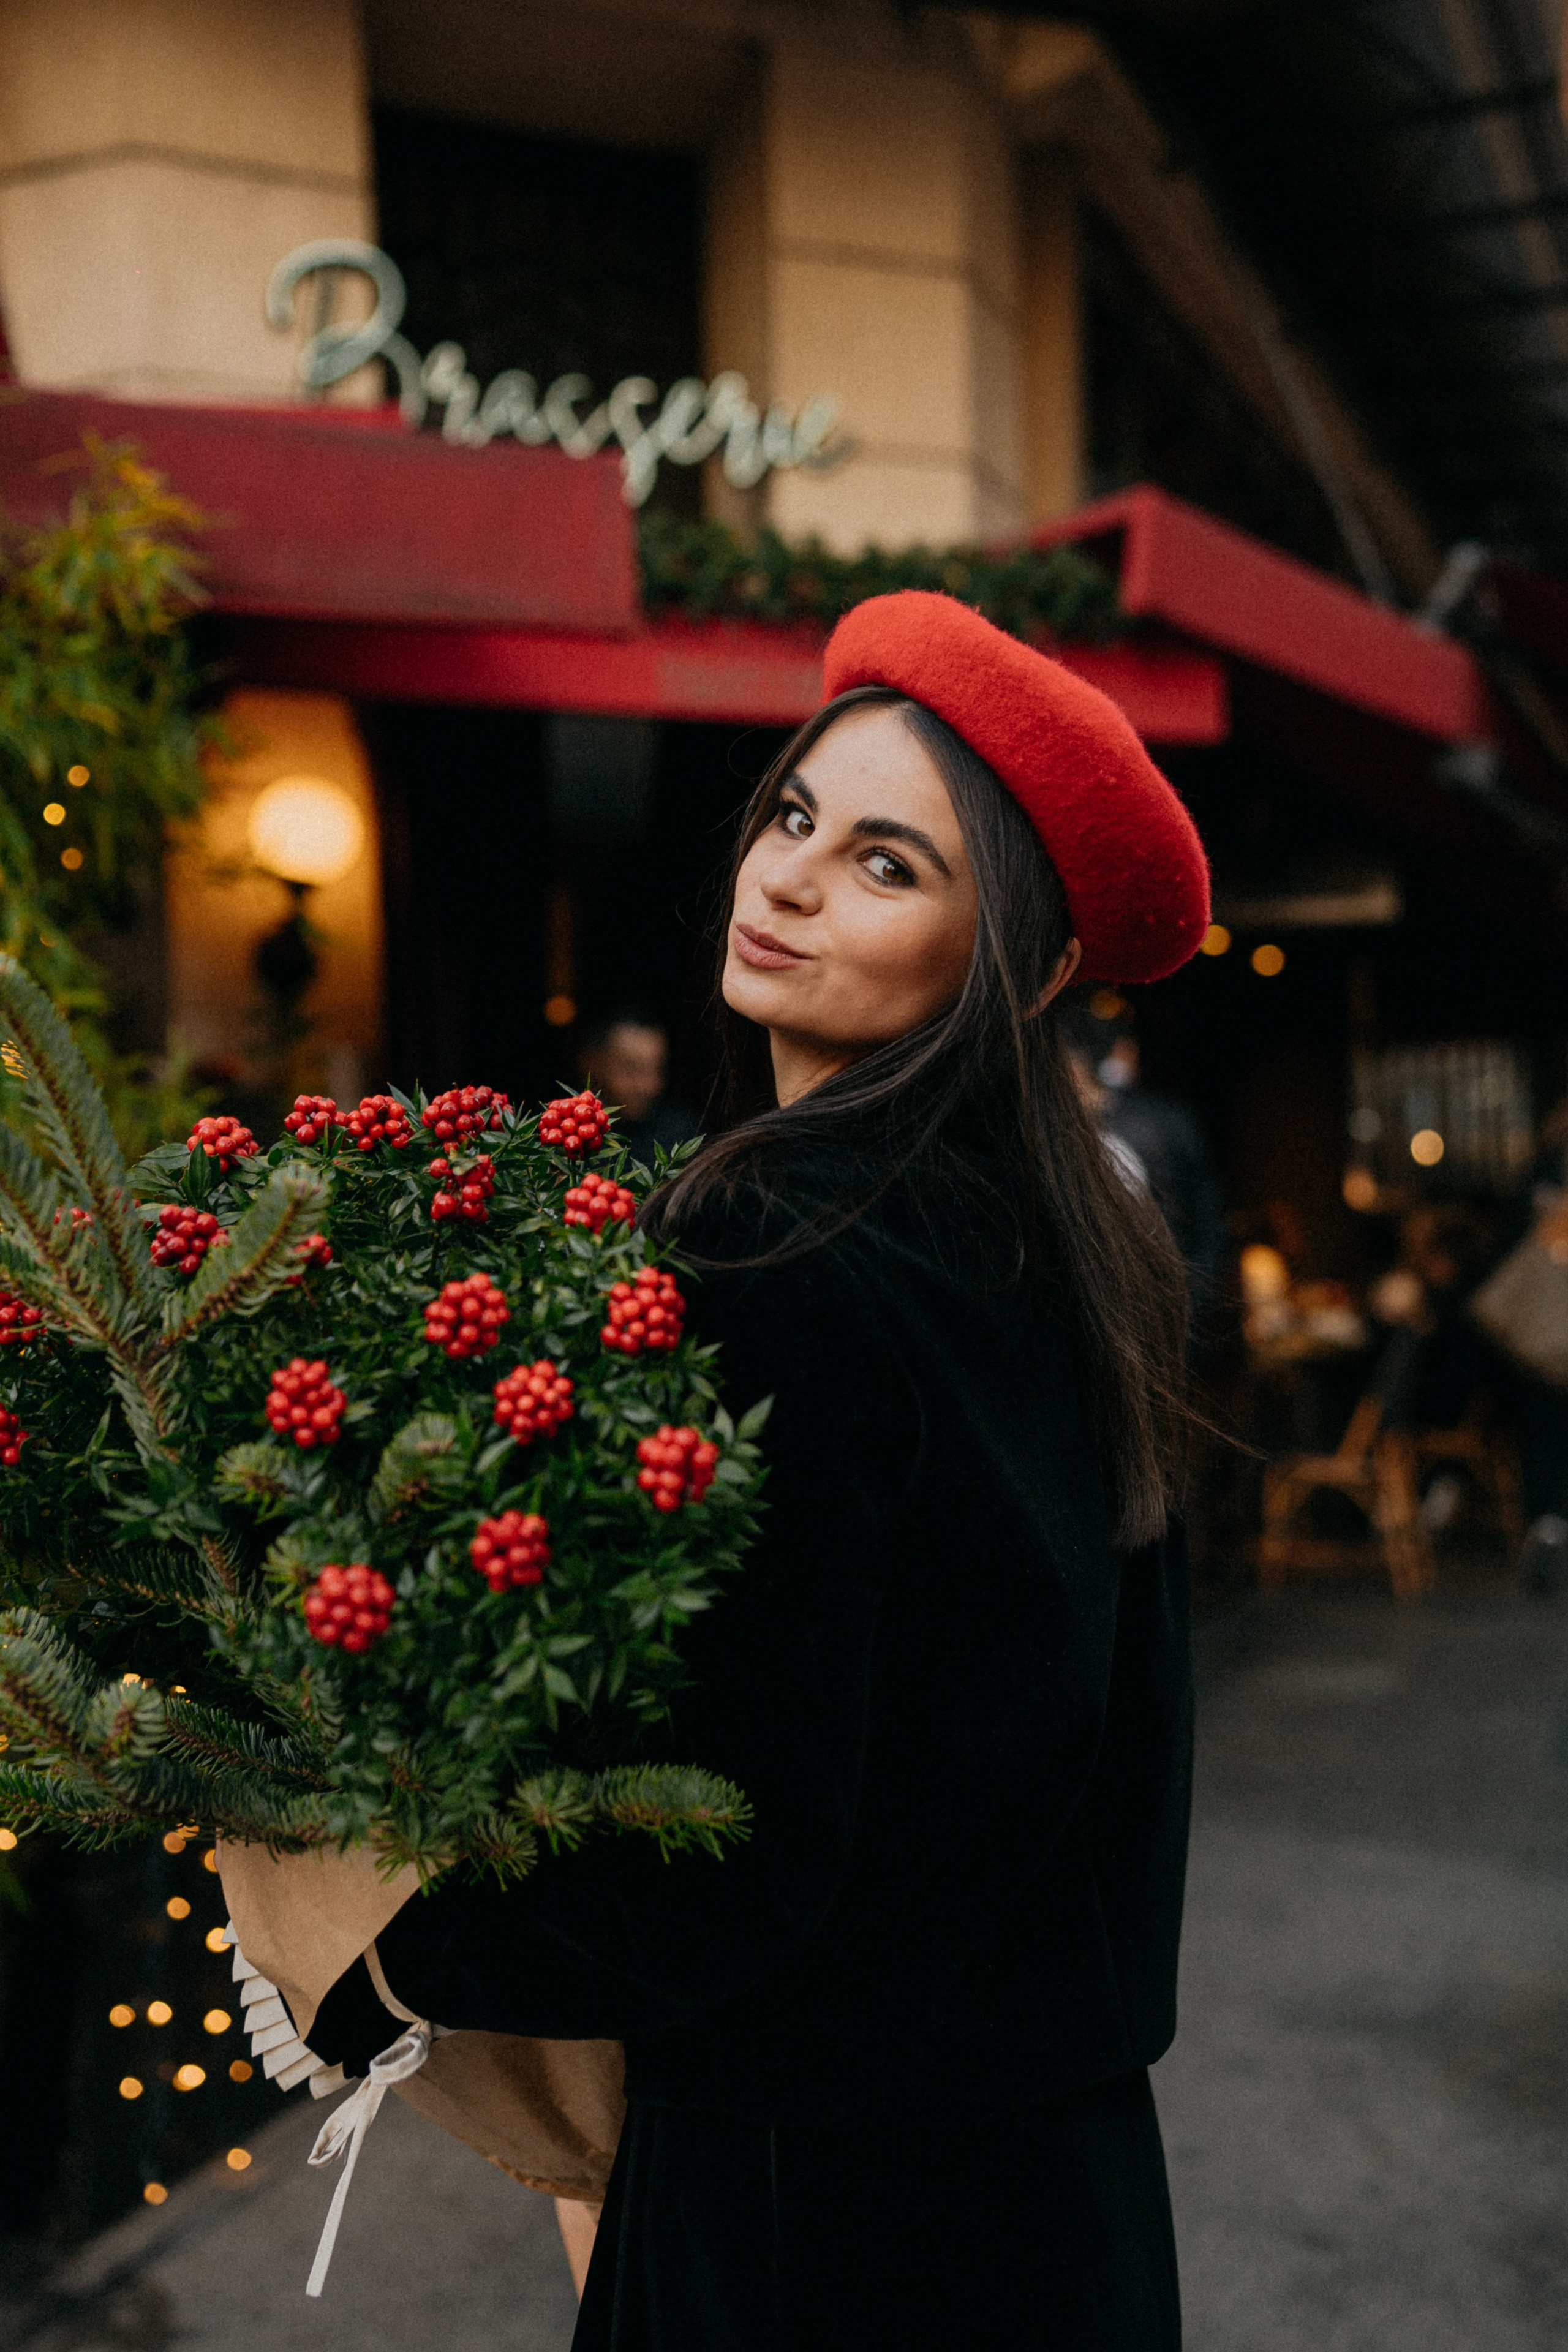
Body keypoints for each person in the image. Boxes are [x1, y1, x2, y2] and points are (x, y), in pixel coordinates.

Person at [303, 592, 1211, 2350]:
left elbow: (724, 1846)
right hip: (1067, 2190)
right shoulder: (1085, 1250)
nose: (785, 878)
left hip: (823, 2216)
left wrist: (383, 1944)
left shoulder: (766, 1238)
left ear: (1015, 966)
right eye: (794, 817)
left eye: (887, 866)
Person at [579, 1012, 701, 1165]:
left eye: (656, 1069)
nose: (650, 1087)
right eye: (631, 1070)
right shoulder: (566, 1136)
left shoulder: (680, 1136)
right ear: (591, 1064)